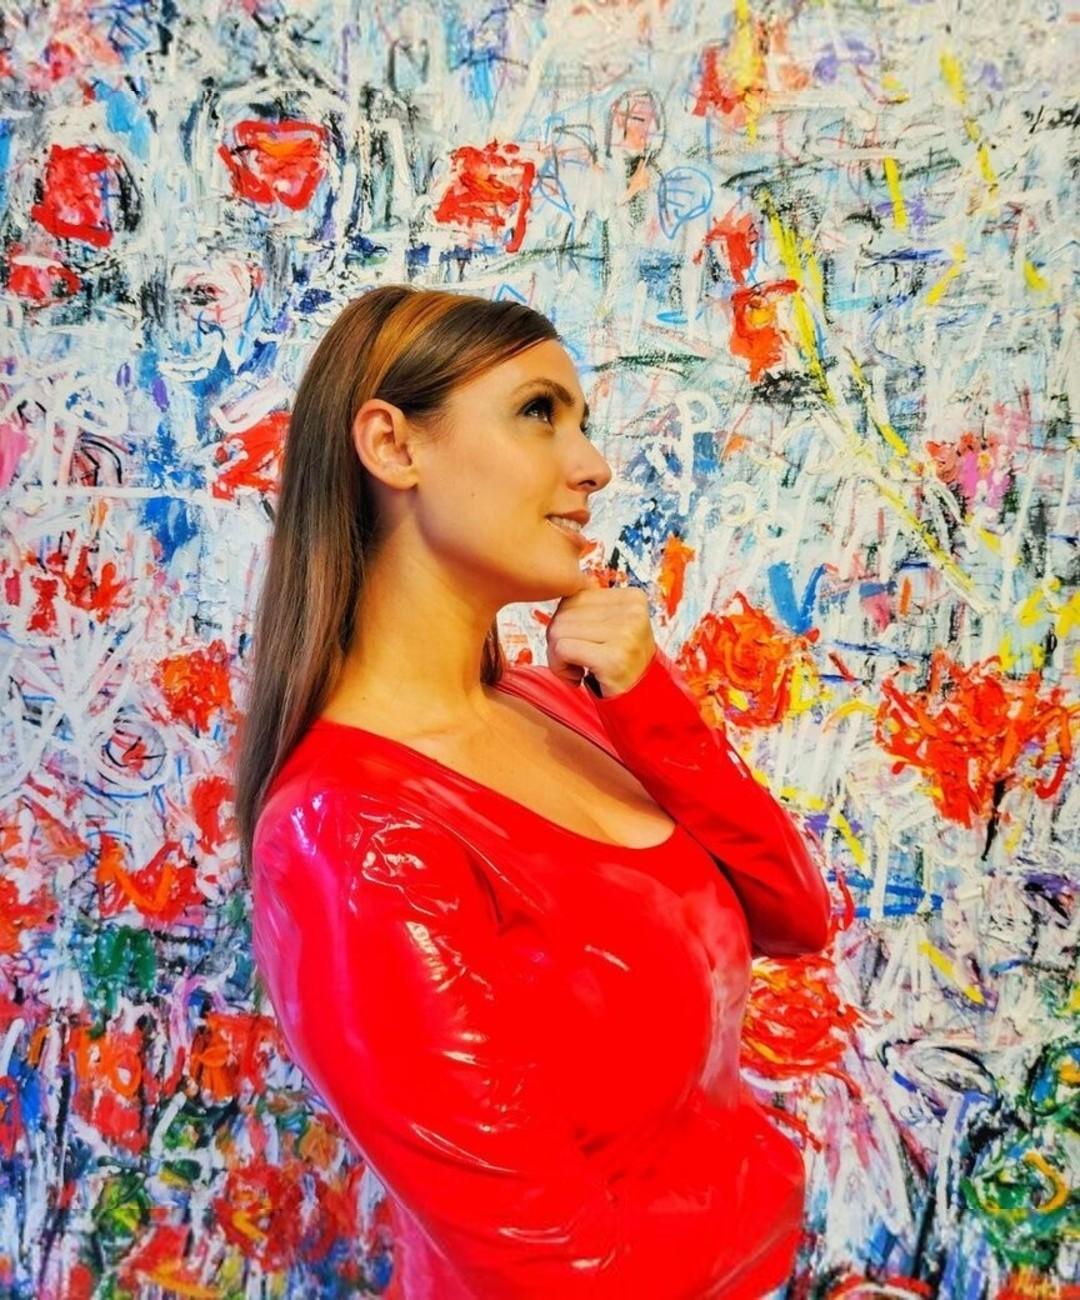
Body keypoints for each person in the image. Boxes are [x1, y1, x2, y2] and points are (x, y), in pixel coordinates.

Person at [233, 283, 832, 1298]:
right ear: (392, 446)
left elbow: (793, 914)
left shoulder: (561, 703)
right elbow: (553, 1270)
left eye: (580, 420)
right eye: (539, 412)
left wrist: (651, 703)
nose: (592, 465)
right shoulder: (353, 831)